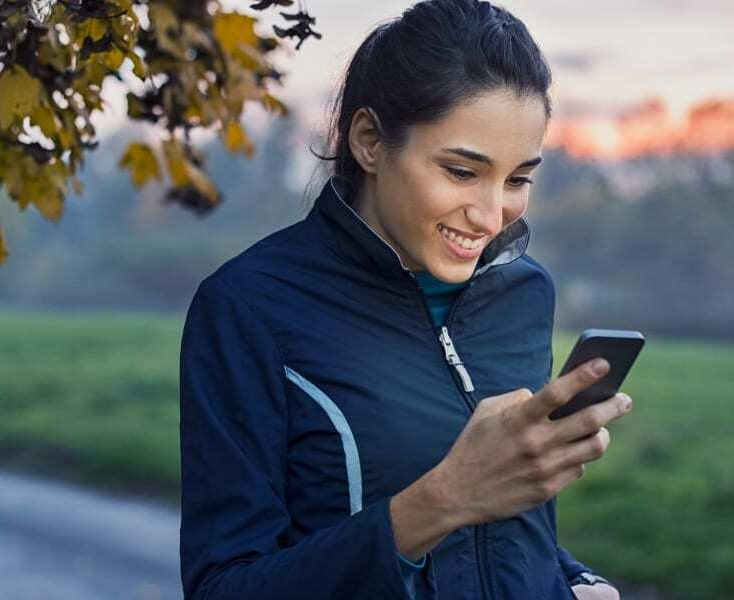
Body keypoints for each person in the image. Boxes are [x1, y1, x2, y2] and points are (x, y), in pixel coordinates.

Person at [178, 1, 632, 598]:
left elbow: (507, 534)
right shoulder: (248, 310)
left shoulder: (524, 295)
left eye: (518, 179)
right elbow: (223, 587)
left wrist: (576, 581)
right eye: (462, 172)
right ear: (369, 141)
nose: (492, 215)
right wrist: (439, 501)